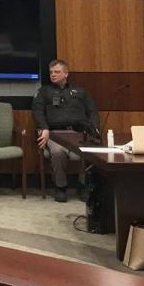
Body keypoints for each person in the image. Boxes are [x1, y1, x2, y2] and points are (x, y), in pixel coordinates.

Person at [33, 59, 99, 202]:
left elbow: (92, 111)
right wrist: (44, 128)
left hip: (78, 133)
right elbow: (38, 111)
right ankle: (60, 187)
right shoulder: (44, 91)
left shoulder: (80, 91)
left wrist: (94, 129)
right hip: (55, 134)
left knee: (88, 153)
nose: (53, 75)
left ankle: (83, 185)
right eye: (51, 72)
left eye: (57, 72)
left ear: (66, 74)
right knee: (57, 152)